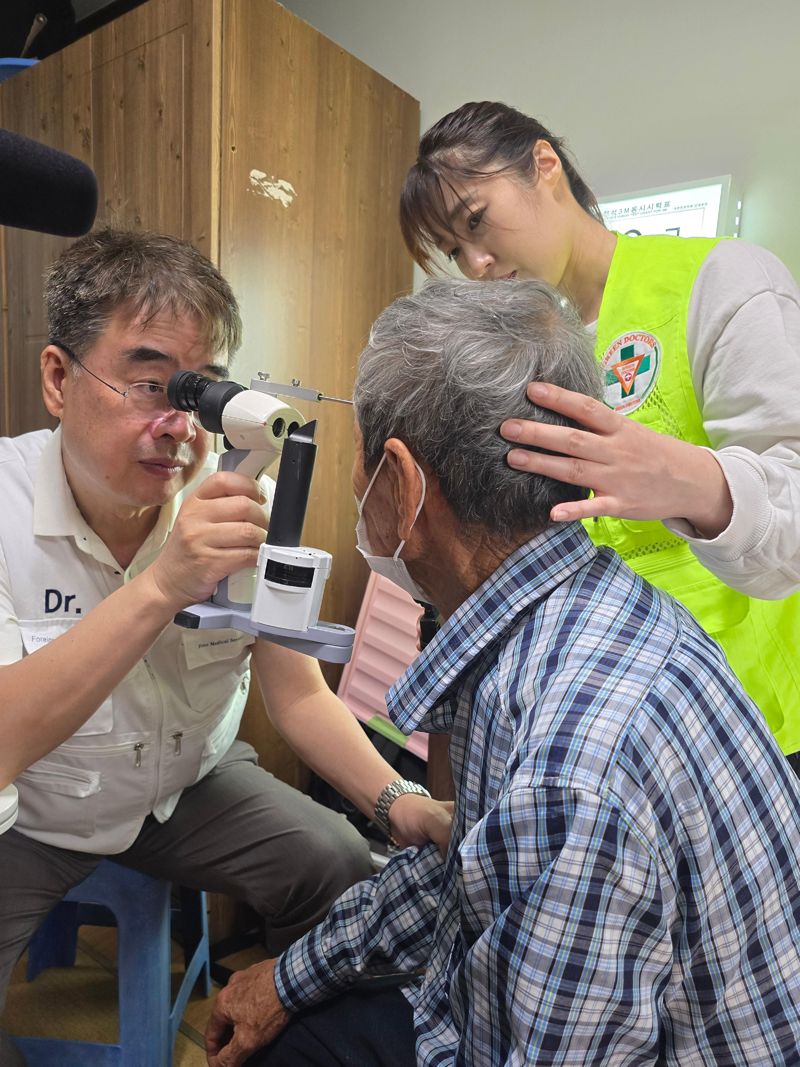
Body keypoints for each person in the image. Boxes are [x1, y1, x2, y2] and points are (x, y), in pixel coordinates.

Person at [204, 279, 800, 1067]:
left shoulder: (570, 770)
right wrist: (289, 977)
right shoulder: (579, 619)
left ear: (402, 484)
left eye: (360, 464)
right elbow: (469, 881)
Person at [0, 228, 450, 1065]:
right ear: (59, 379)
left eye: (199, 393)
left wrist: (401, 803)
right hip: (39, 809)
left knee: (340, 861)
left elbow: (300, 694)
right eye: (148, 384)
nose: (178, 426)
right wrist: (162, 585)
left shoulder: (247, 501)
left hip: (187, 786)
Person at [398, 100, 800, 763]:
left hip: (747, 725)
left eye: (476, 221)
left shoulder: (722, 282)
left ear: (544, 165)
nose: (475, 263)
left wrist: (690, 483)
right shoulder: (516, 353)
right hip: (592, 732)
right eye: (453, 250)